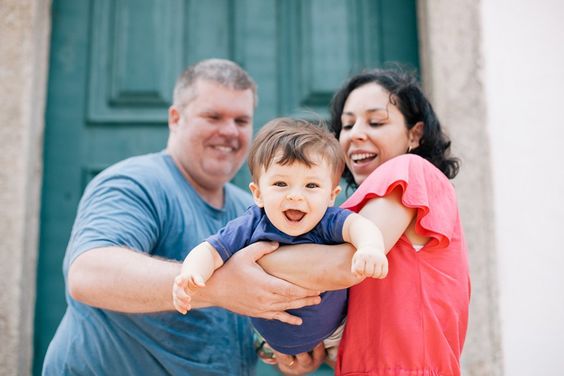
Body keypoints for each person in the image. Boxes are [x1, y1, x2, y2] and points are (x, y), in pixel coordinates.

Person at [42, 59, 323, 375]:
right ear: (175, 118)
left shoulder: (253, 210)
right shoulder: (136, 182)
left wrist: (274, 346)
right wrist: (215, 287)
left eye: (241, 120)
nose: (230, 131)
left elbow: (234, 315)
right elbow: (88, 274)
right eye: (213, 116)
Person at [258, 67, 471, 376]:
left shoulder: (410, 170)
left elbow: (343, 265)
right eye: (347, 124)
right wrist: (304, 346)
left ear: (415, 134)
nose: (355, 133)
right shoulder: (349, 212)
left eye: (376, 122)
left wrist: (243, 258)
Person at [172, 118, 388, 361]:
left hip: (337, 332)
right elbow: (210, 250)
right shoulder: (252, 223)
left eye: (311, 185)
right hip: (271, 336)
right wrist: (191, 274)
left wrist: (370, 248)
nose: (295, 196)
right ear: (258, 193)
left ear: (331, 196)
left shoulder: (327, 220)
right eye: (281, 183)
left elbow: (359, 226)